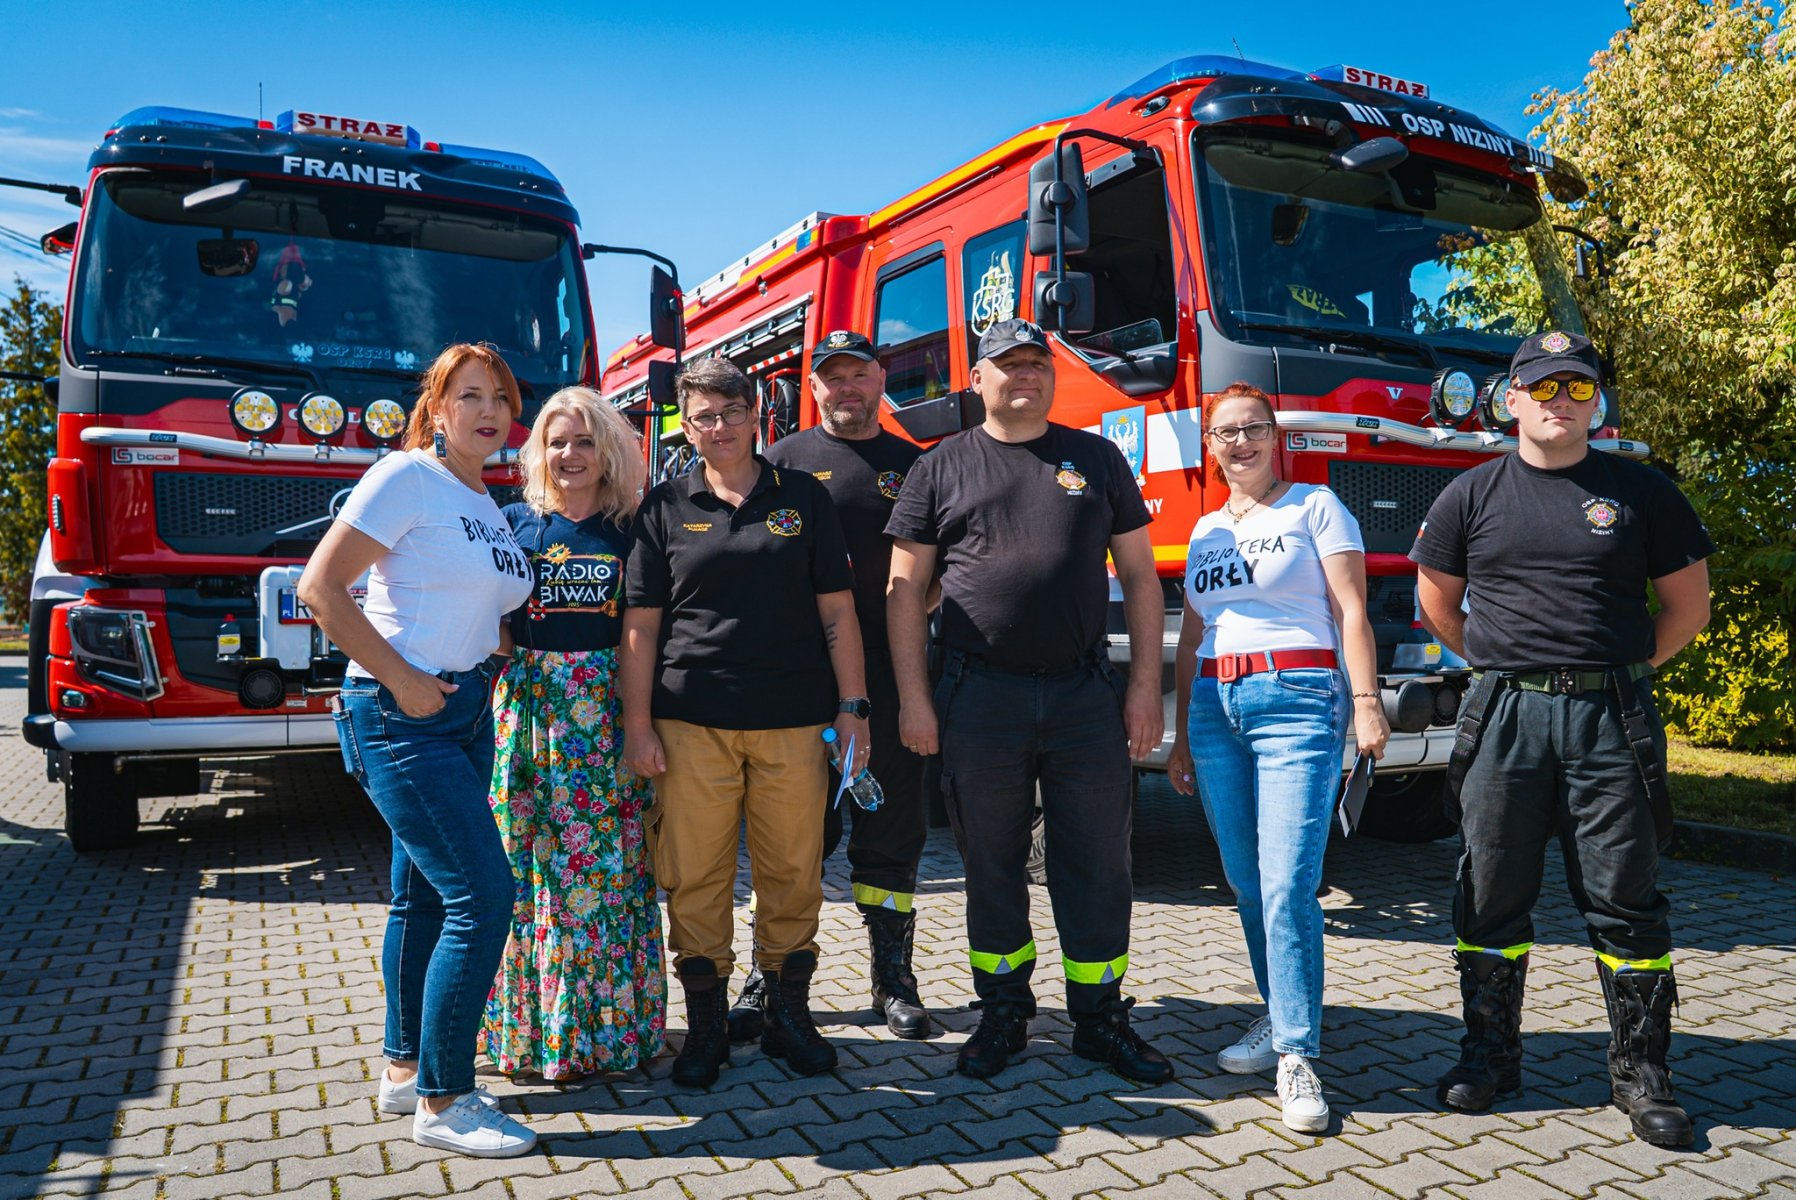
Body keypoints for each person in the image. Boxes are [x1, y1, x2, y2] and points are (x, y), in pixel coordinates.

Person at [1411, 330, 1714, 1147]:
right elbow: (1437, 603)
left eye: (1578, 387)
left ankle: (1641, 1072)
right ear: (1512, 398)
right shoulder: (1469, 495)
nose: (1560, 401)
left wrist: (1616, 669)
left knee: (1626, 896)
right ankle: (1489, 1057)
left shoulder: (1641, 492)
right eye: (1543, 387)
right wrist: (1505, 665)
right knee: (1490, 890)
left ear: (1596, 401)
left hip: (1611, 719)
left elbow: (1688, 609)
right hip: (1505, 717)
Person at [886, 318, 1170, 1083]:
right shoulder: (939, 467)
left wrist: (1144, 686)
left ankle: (1100, 1019)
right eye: (1007, 365)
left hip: (1084, 695)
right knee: (992, 862)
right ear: (976, 379)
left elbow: (1141, 577)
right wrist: (914, 699)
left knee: (1099, 862)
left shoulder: (1097, 459)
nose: (1025, 376)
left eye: (1037, 364)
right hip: (980, 695)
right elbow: (905, 589)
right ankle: (1005, 1012)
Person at [298, 343, 536, 1158]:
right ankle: (446, 1100)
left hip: (462, 710)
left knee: (424, 899)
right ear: (435, 409)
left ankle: (406, 1070)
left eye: (499, 398)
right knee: (484, 896)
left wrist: (491, 656)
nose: (488, 412)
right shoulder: (406, 477)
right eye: (469, 396)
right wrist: (402, 679)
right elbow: (320, 589)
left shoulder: (486, 501)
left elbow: (481, 602)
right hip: (401, 714)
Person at [619, 356, 871, 1088]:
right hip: (690, 724)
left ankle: (788, 1013)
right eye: (704, 416)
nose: (720, 426)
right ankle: (706, 1027)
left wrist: (853, 707)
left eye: (732, 411)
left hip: (795, 723)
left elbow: (838, 610)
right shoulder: (665, 505)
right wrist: (639, 725)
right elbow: (640, 626)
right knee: (694, 876)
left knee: (793, 871)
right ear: (686, 426)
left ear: (757, 414)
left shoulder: (803, 497)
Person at [1165, 381, 1389, 1134]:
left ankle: (1296, 1053)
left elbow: (1352, 610)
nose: (1242, 442)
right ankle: (1278, 1012)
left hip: (1298, 698)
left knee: (1289, 882)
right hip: (1213, 707)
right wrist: (1181, 732)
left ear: (1275, 435)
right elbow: (1193, 636)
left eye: (1254, 428)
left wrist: (1366, 702)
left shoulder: (1315, 507)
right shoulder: (1205, 531)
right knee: (1245, 880)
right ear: (1210, 445)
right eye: (1226, 432)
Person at [478, 387, 665, 1081]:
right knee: (525, 868)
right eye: (557, 442)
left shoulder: (632, 528)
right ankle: (532, 1033)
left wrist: (638, 723)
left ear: (608, 449)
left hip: (605, 712)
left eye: (584, 440)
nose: (570, 454)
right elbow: (488, 612)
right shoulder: (512, 523)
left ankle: (605, 1035)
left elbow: (644, 630)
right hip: (529, 714)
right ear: (539, 451)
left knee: (605, 873)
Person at [756, 330, 931, 1041]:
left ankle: (894, 980)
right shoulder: (780, 462)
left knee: (891, 833)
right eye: (833, 378)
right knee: (791, 839)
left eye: (859, 374)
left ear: (880, 379)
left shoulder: (915, 465)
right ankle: (769, 977)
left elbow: (940, 564)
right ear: (814, 387)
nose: (847, 388)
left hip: (890, 681)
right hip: (799, 687)